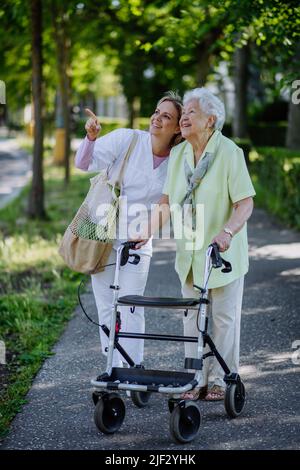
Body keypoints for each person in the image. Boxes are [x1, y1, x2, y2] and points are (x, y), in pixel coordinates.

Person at [135, 87, 255, 400]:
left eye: (191, 113)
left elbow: (245, 204)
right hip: (189, 255)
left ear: (210, 120)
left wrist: (227, 232)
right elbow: (166, 201)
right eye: (183, 113)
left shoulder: (229, 153)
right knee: (192, 318)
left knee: (223, 319)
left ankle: (219, 381)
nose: (184, 118)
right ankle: (194, 379)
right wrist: (144, 232)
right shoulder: (179, 155)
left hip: (222, 253)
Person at [74, 92, 183, 368]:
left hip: (138, 241)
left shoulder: (178, 160)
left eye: (166, 116)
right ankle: (113, 366)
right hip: (102, 234)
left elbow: (169, 202)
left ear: (178, 127)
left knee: (131, 305)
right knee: (106, 305)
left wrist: (148, 231)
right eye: (157, 112)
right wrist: (91, 138)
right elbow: (84, 163)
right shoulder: (128, 139)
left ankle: (134, 366)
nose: (157, 118)